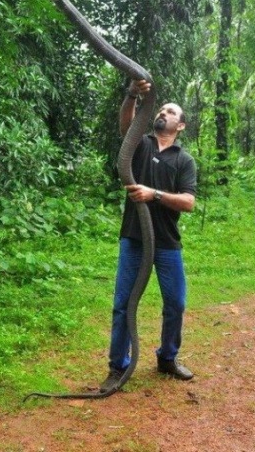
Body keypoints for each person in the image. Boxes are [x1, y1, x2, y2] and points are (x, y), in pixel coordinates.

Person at [100, 78, 197, 393]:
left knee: (176, 303)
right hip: (134, 239)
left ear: (179, 126)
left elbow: (189, 202)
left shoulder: (184, 160)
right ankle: (118, 367)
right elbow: (127, 123)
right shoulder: (139, 144)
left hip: (167, 243)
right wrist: (132, 93)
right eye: (162, 108)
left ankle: (167, 359)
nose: (164, 112)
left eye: (171, 111)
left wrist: (152, 194)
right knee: (123, 304)